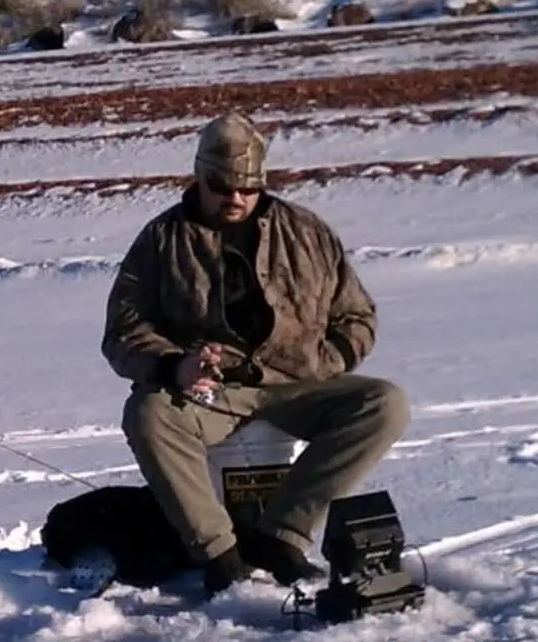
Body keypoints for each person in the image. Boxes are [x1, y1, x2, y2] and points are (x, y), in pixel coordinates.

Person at [101, 111, 410, 597]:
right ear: (200, 176)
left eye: (248, 187)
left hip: (298, 385)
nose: (236, 198)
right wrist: (173, 365)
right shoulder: (161, 241)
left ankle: (282, 536)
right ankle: (220, 554)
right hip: (210, 394)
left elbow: (358, 319)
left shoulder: (307, 232)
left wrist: (319, 363)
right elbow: (123, 331)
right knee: (147, 412)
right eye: (222, 185)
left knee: (384, 404)